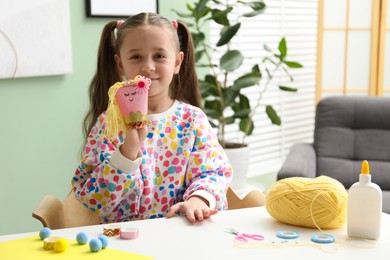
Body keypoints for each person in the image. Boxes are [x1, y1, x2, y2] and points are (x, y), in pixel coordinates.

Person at [72, 12, 233, 223]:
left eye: (159, 56)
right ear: (120, 65)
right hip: (124, 241)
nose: (148, 66)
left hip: (181, 234)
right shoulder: (108, 123)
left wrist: (199, 200)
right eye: (136, 56)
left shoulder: (192, 120)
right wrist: (126, 153)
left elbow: (214, 172)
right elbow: (94, 200)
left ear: (177, 62)